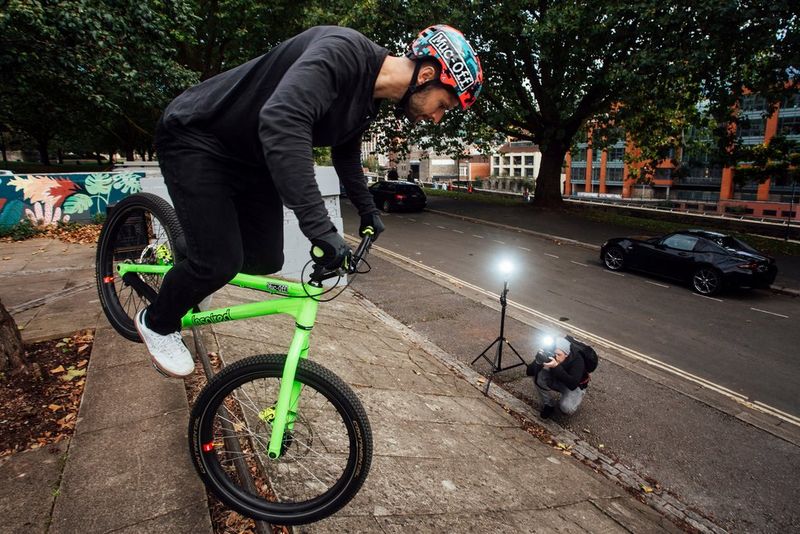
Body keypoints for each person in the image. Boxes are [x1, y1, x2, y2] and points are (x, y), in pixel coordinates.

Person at [136, 24, 484, 377]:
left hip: (250, 156)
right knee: (219, 262)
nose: (437, 118)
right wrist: (320, 228)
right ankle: (157, 322)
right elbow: (283, 120)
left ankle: (195, 253)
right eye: (443, 104)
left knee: (265, 257)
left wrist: (367, 210)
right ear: (426, 75)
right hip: (199, 136)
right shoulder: (342, 51)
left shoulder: (368, 102)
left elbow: (345, 155)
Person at [531, 337, 586, 419]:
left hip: (574, 386)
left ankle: (576, 397)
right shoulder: (550, 353)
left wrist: (556, 366)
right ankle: (549, 404)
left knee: (566, 408)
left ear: (567, 354)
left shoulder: (578, 360)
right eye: (554, 353)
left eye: (559, 355)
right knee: (539, 376)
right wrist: (538, 361)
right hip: (557, 379)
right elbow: (529, 372)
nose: (555, 357)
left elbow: (573, 384)